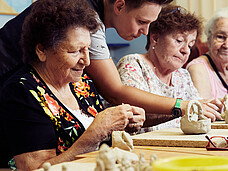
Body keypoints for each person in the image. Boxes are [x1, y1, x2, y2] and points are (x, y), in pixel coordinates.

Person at [0, 0, 222, 129]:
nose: (145, 32)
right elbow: (116, 92)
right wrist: (182, 106)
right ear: (120, 5)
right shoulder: (85, 16)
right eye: (142, 22)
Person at [0, 0, 145, 169]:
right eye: (75, 51)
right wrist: (95, 134)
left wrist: (122, 124)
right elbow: (35, 168)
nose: (87, 61)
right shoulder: (22, 92)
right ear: (41, 50)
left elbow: (100, 141)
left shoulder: (82, 84)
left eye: (87, 49)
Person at [117, 5, 207, 132]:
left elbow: (199, 108)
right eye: (179, 40)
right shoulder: (133, 64)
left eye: (190, 45)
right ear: (155, 38)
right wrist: (180, 110)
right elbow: (135, 117)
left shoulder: (182, 75)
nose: (186, 50)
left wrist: (214, 106)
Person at [187, 7, 228, 99]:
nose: (226, 45)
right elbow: (206, 112)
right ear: (209, 39)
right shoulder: (198, 69)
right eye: (221, 37)